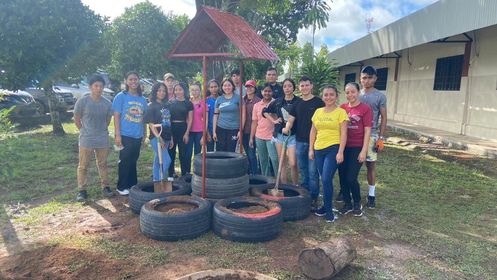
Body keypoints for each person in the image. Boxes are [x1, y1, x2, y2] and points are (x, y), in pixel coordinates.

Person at [283, 76, 324, 211]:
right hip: (300, 141)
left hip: (315, 142)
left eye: (307, 85)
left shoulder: (319, 102)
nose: (304, 88)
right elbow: (291, 119)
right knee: (303, 169)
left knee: (313, 171)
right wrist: (287, 127)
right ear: (299, 88)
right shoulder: (297, 103)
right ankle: (305, 194)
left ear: (311, 86)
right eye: (302, 85)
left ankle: (313, 198)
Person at [309, 85, 348, 222]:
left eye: (331, 94)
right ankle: (325, 207)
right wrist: (311, 149)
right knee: (324, 179)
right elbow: (313, 131)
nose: (328, 97)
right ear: (322, 96)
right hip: (319, 149)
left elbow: (344, 133)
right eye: (326, 95)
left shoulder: (341, 112)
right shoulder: (318, 112)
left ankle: (329, 209)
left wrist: (340, 152)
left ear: (336, 96)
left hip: (333, 148)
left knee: (325, 178)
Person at [74, 74, 113, 201]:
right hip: (86, 139)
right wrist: (84, 130)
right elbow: (77, 118)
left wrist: (100, 131)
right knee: (83, 165)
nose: (99, 88)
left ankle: (105, 187)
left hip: (102, 138)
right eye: (96, 86)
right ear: (90, 87)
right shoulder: (83, 101)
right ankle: (82, 190)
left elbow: (107, 120)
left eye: (101, 86)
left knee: (103, 164)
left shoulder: (107, 103)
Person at [338, 82, 372, 217]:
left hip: (357, 147)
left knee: (351, 177)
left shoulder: (365, 109)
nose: (350, 95)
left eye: (353, 92)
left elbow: (367, 131)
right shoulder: (342, 108)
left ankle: (357, 201)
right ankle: (347, 203)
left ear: (358, 92)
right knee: (342, 176)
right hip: (342, 147)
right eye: (347, 92)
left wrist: (364, 150)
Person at [112, 71, 148, 196]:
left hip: (137, 135)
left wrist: (145, 133)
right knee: (124, 160)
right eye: (131, 79)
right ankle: (121, 186)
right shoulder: (121, 96)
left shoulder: (142, 99)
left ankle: (132, 184)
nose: (133, 82)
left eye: (135, 79)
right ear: (126, 81)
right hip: (124, 135)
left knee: (133, 160)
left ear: (138, 81)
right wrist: (117, 135)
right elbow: (116, 116)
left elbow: (144, 118)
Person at [359, 66, 387, 209]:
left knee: (370, 166)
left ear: (375, 78)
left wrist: (381, 138)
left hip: (372, 135)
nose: (367, 80)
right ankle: (344, 190)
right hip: (356, 134)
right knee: (351, 165)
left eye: (370, 77)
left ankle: (371, 195)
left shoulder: (380, 96)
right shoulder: (356, 94)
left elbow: (384, 117)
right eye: (364, 77)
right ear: (360, 78)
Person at [263, 78, 300, 184]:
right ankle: (284, 186)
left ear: (293, 88)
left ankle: (295, 186)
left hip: (293, 135)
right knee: (282, 161)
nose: (287, 88)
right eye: (285, 86)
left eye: (289, 86)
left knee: (293, 163)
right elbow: (265, 111)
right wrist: (274, 120)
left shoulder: (298, 102)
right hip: (279, 135)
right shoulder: (278, 101)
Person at [143, 82, 173, 184]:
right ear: (155, 92)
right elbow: (151, 124)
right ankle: (161, 180)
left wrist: (171, 138)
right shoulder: (151, 106)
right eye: (159, 90)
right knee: (166, 160)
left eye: (164, 91)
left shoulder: (167, 105)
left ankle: (155, 180)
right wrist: (159, 138)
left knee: (157, 159)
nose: (162, 93)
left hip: (167, 136)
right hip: (157, 138)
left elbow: (169, 123)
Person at [250, 83, 278, 176]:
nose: (267, 93)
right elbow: (254, 122)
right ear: (261, 92)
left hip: (272, 137)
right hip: (259, 136)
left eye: (269, 91)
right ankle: (266, 179)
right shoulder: (257, 105)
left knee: (274, 159)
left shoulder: (277, 103)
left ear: (272, 92)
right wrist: (251, 138)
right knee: (263, 159)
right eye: (265, 91)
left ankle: (279, 180)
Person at [168, 82, 193, 179]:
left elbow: (190, 119)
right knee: (171, 152)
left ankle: (184, 174)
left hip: (183, 128)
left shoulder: (188, 103)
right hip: (171, 128)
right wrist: (169, 135)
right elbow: (167, 119)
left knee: (183, 153)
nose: (178, 92)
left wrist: (187, 133)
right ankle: (170, 174)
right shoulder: (170, 103)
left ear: (184, 90)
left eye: (180, 89)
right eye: (176, 90)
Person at [213, 79, 245, 152]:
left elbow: (243, 115)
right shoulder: (219, 99)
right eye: (225, 85)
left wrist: (240, 130)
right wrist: (214, 131)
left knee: (231, 151)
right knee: (220, 151)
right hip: (220, 128)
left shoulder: (238, 98)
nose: (227, 87)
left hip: (234, 129)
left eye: (229, 85)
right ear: (222, 87)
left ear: (232, 86)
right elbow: (215, 115)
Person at [243, 80, 261, 174]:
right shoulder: (243, 100)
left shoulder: (258, 101)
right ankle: (250, 172)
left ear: (255, 88)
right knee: (247, 154)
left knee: (252, 154)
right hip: (244, 131)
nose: (249, 89)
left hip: (255, 131)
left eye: (251, 87)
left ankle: (255, 175)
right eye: (247, 87)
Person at [189, 82, 207, 156]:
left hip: (199, 131)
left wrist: (204, 135)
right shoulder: (187, 102)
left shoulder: (203, 103)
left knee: (197, 153)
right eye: (192, 90)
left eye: (196, 90)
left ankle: (196, 167)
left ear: (200, 91)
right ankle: (188, 168)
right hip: (189, 131)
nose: (194, 92)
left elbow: (206, 120)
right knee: (188, 153)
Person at [205, 79, 220, 151]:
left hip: (221, 129)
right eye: (211, 87)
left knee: (220, 151)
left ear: (219, 87)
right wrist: (207, 132)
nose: (214, 89)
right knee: (210, 152)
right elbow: (204, 118)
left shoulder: (222, 99)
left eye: (215, 86)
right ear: (208, 88)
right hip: (209, 130)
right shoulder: (206, 100)